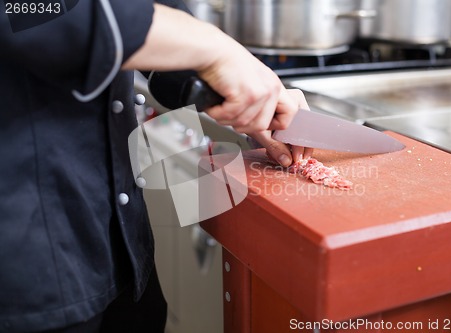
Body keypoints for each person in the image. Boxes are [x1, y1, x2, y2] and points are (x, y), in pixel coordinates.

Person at [0, 1, 313, 332]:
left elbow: (153, 10)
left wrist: (238, 93)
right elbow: (34, 13)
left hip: (122, 249)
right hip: (28, 267)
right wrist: (217, 49)